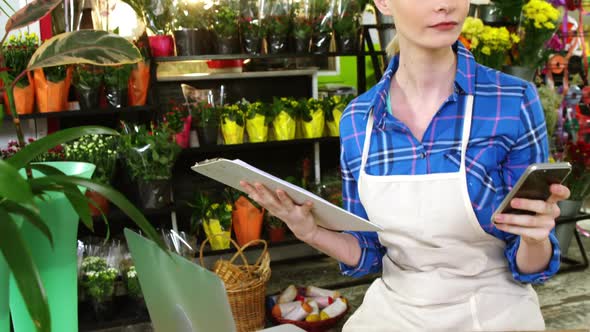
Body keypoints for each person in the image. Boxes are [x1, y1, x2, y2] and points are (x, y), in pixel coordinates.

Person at [240, 0, 571, 330]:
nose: (446, 5)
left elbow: (531, 266)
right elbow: (368, 252)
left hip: (494, 315)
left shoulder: (511, 101)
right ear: (383, 3)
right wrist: (309, 231)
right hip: (394, 315)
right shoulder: (359, 119)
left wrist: (535, 239)